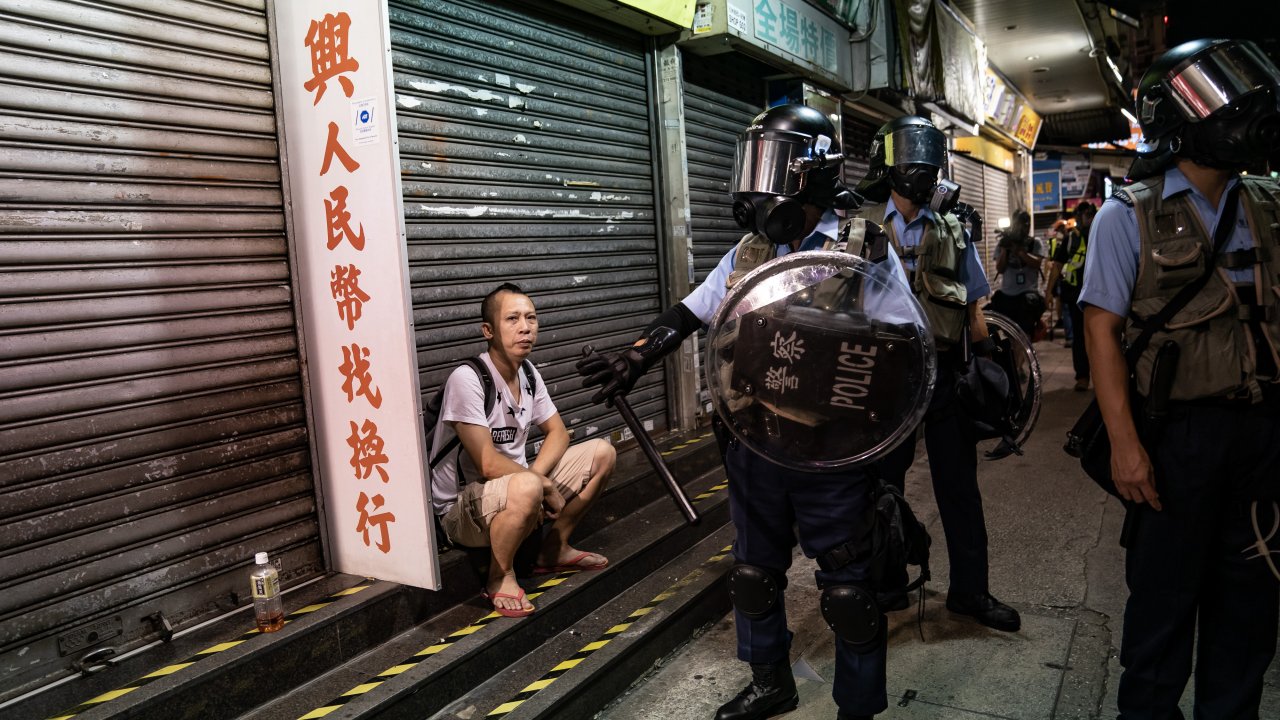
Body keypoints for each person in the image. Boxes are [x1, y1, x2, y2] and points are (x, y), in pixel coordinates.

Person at [578, 104, 910, 720]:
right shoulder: (750, 252)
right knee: (754, 575)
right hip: (756, 444)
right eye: (752, 163)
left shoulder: (862, 247)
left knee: (846, 589)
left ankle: (859, 706)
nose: (759, 184)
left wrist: (883, 454)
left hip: (830, 455)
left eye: (774, 165)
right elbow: (690, 313)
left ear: (813, 173)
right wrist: (636, 357)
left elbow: (905, 349)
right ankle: (771, 683)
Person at [1079, 38, 1280, 719]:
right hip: (1176, 442)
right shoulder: (1125, 215)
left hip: (1260, 437)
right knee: (1162, 616)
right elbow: (1101, 332)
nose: (1243, 113)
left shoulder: (1270, 207)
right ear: (1178, 116)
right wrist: (1125, 445)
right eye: (1221, 97)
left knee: (1249, 613)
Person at [856, 116, 1021, 632]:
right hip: (882, 381)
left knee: (960, 490)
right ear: (887, 161)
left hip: (946, 376)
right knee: (881, 489)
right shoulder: (857, 227)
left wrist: (991, 367)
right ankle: (885, 587)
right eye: (910, 154)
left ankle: (971, 592)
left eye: (929, 155)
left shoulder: (953, 228)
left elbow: (973, 306)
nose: (922, 167)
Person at [430, 283, 616, 618]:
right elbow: (487, 464)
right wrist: (540, 484)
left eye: (531, 318)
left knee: (602, 452)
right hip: (460, 511)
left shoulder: (528, 373)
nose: (525, 327)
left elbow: (557, 432)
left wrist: (535, 478)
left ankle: (553, 549)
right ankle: (500, 576)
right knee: (529, 484)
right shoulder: (468, 378)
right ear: (488, 330)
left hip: (516, 490)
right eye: (512, 319)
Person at [1044, 202, 1095, 391]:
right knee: (1080, 338)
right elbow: (1057, 265)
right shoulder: (1070, 239)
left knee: (1100, 335)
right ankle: (1082, 376)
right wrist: (1049, 291)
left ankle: (1102, 375)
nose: (1085, 219)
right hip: (1076, 295)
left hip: (1098, 295)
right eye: (1083, 215)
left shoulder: (1101, 233)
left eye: (1088, 215)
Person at [989, 209, 1046, 338]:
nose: (1024, 227)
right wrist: (1005, 249)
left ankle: (1023, 354)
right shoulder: (1005, 242)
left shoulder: (1034, 243)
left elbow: (1036, 264)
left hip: (1027, 294)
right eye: (1021, 224)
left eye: (1026, 224)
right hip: (1007, 295)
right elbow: (1000, 268)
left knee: (1024, 333)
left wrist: (1020, 252)